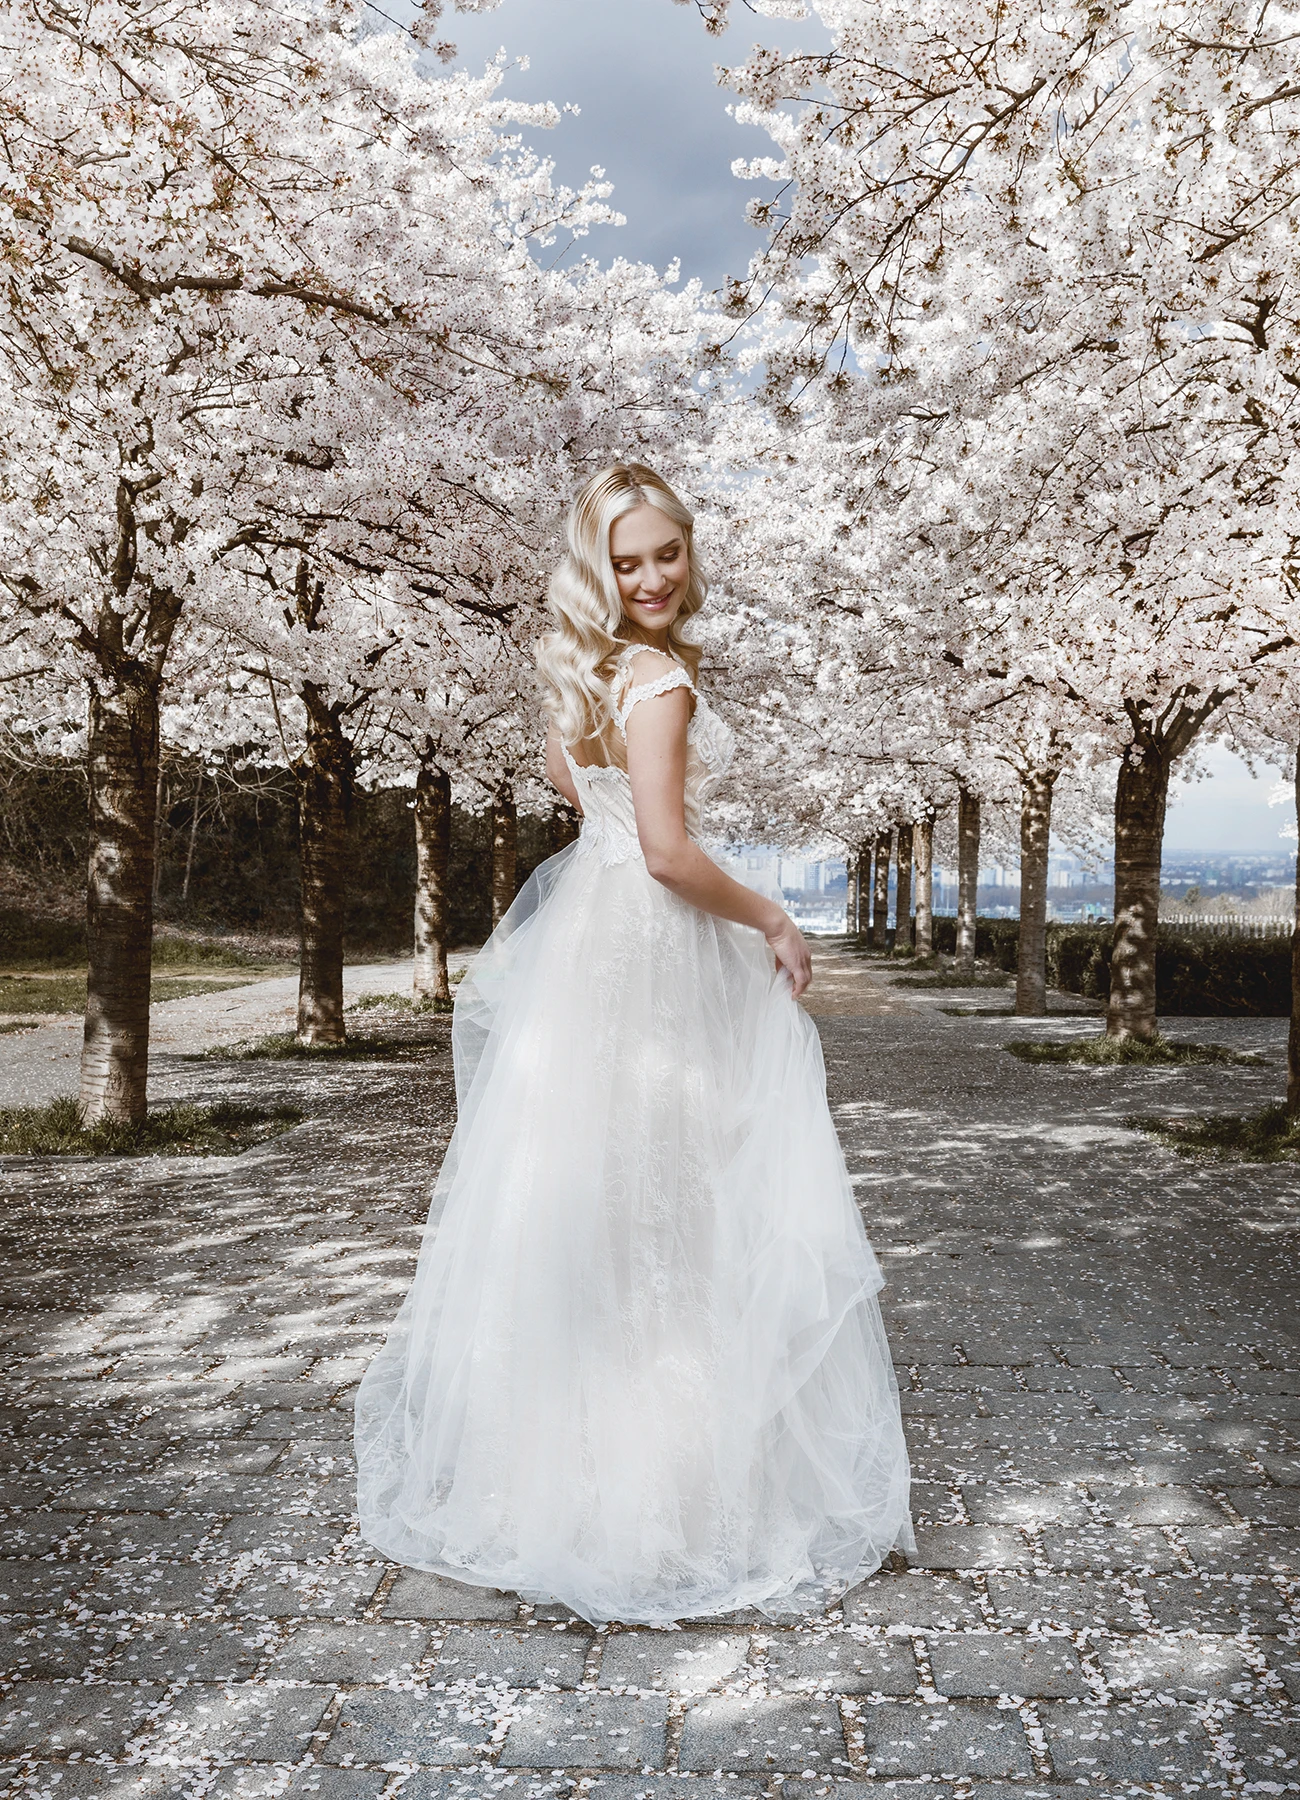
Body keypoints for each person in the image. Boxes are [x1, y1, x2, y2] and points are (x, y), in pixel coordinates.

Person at [354, 463, 913, 1624]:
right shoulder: (653, 680)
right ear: (598, 569)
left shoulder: (575, 676)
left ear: (689, 553)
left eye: (666, 553)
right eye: (628, 559)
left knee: (583, 1202)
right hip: (647, 950)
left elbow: (584, 800)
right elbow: (663, 850)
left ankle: (563, 1481)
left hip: (583, 954)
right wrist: (770, 913)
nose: (652, 577)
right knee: (668, 1204)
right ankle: (662, 1503)